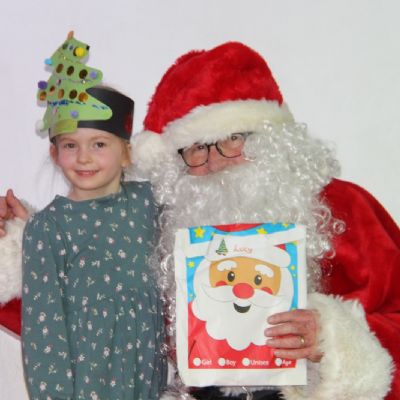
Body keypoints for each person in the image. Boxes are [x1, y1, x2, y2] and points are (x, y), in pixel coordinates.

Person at [1, 41, 399, 400]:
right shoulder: (168, 221)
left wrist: (332, 339)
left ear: (270, 139)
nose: (214, 162)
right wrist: (22, 242)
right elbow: (89, 307)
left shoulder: (342, 207)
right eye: (195, 149)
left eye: (233, 139)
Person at [2, 33, 167, 400]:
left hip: (148, 384)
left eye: (99, 144)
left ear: (127, 152)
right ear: (54, 153)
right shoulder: (47, 228)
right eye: (70, 145)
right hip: (85, 387)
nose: (84, 157)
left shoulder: (150, 203)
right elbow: (44, 333)